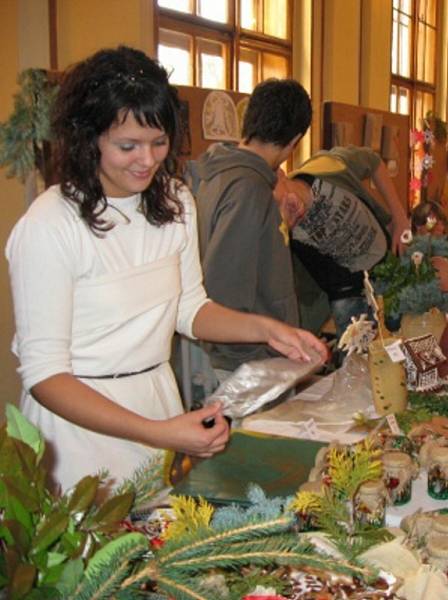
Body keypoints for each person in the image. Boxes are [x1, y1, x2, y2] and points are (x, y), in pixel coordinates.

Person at [5, 46, 327, 493]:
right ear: (88, 138)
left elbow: (190, 308)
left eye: (159, 143)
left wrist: (267, 330)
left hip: (156, 401)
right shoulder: (50, 224)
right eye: (127, 146)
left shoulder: (174, 203)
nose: (147, 160)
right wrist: (159, 432)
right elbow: (46, 376)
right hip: (78, 430)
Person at [186, 78, 312, 375]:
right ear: (294, 142)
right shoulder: (249, 188)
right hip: (249, 357)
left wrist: (281, 224)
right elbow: (224, 285)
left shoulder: (222, 173)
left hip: (249, 349)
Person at [278, 145, 412, 337]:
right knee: (358, 359)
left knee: (407, 341)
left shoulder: (326, 168)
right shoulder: (278, 227)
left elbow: (372, 162)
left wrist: (399, 217)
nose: (285, 208)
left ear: (281, 174)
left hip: (388, 269)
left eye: (279, 196)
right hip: (346, 298)